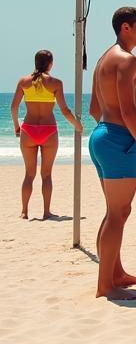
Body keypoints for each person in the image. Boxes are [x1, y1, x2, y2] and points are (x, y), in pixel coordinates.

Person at [89, 8, 136, 299]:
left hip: (103, 137)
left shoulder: (103, 60)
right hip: (118, 141)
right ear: (126, 27)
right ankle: (105, 286)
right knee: (117, 214)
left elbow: (96, 109)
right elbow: (127, 110)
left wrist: (124, 134)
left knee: (116, 212)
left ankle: (115, 274)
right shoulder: (126, 60)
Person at [11, 50, 82, 219]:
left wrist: (16, 126)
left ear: (36, 62)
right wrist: (77, 125)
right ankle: (46, 212)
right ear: (50, 63)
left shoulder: (24, 81)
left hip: (28, 129)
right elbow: (65, 110)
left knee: (29, 174)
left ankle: (24, 211)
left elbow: (13, 107)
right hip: (48, 130)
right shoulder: (56, 83)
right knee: (46, 174)